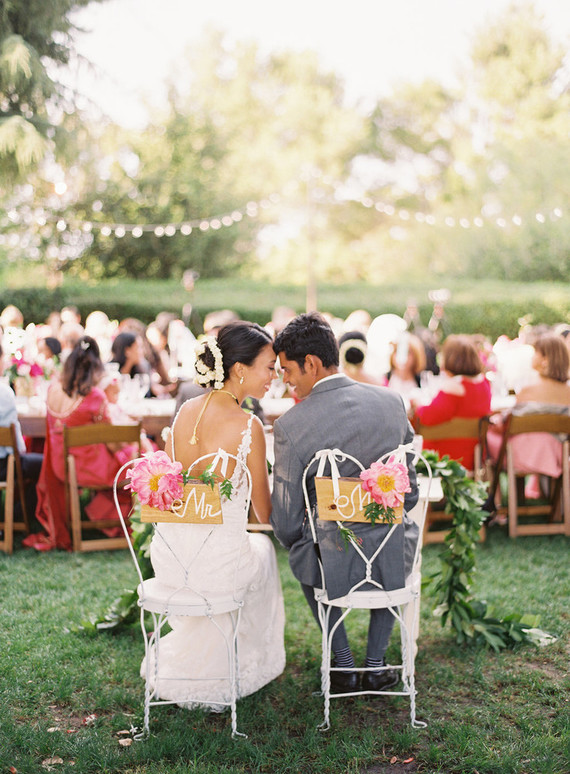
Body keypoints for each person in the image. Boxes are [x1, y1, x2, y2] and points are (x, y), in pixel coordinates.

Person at [270, 312, 419, 693]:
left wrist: (312, 527)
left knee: (304, 547)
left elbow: (286, 522)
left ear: (313, 364)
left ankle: (344, 663)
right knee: (395, 532)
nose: (284, 379)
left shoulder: (291, 424)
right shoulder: (391, 402)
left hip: (331, 557)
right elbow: (411, 491)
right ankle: (376, 661)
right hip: (391, 553)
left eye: (287, 370)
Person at [145, 321, 285, 708]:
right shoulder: (249, 426)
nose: (273, 376)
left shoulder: (185, 410)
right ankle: (244, 659)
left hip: (171, 558)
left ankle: (208, 657)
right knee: (264, 551)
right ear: (240, 369)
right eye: (268, 367)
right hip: (217, 566)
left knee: (244, 551)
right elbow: (264, 510)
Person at [23, 336, 139, 551]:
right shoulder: (95, 396)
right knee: (138, 459)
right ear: (95, 369)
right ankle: (115, 521)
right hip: (88, 468)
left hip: (60, 465)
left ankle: (100, 517)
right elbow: (112, 442)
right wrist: (133, 442)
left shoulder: (53, 390)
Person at [411, 334, 491, 471]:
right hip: (474, 454)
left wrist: (417, 404)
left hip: (445, 457)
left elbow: (428, 417)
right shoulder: (484, 383)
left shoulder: (454, 387)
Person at [0, 342, 43, 525]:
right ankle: (17, 516)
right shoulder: (4, 393)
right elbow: (18, 446)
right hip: (3, 466)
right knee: (46, 465)